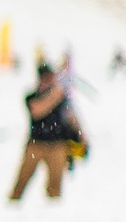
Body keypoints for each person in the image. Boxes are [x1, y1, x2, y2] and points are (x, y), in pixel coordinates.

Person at [8, 61, 83, 202]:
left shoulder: (61, 97)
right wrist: (55, 96)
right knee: (22, 180)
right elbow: (36, 111)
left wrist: (80, 136)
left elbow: (71, 117)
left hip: (57, 144)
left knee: (55, 185)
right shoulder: (32, 96)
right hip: (36, 144)